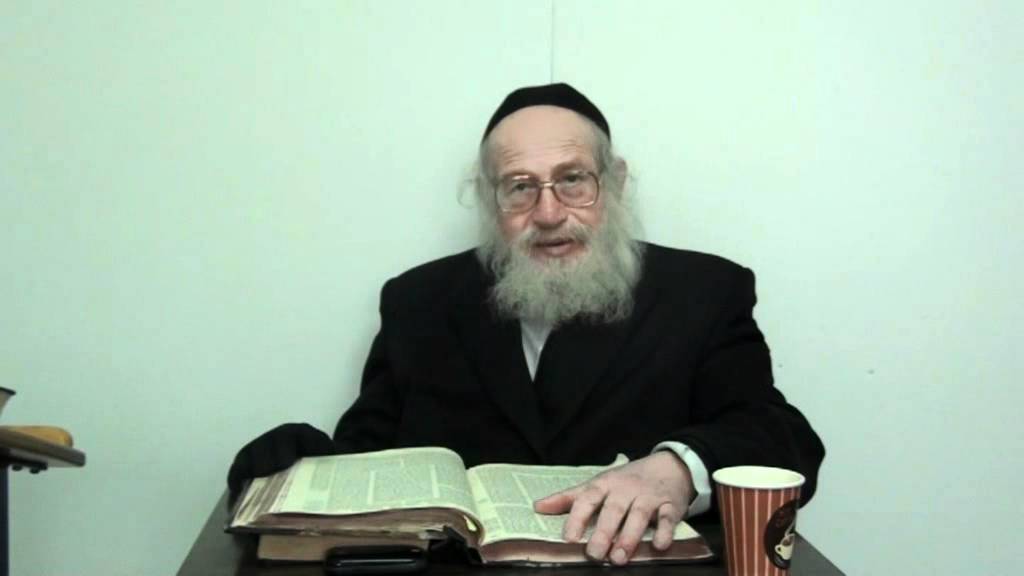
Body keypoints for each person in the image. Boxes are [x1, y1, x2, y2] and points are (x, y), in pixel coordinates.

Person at [228, 83, 825, 565]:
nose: (548, 212)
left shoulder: (704, 291)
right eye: (519, 188)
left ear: (614, 183)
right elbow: (373, 459)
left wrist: (679, 468)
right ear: (492, 201)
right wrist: (299, 465)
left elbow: (781, 435)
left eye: (573, 179)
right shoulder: (420, 300)